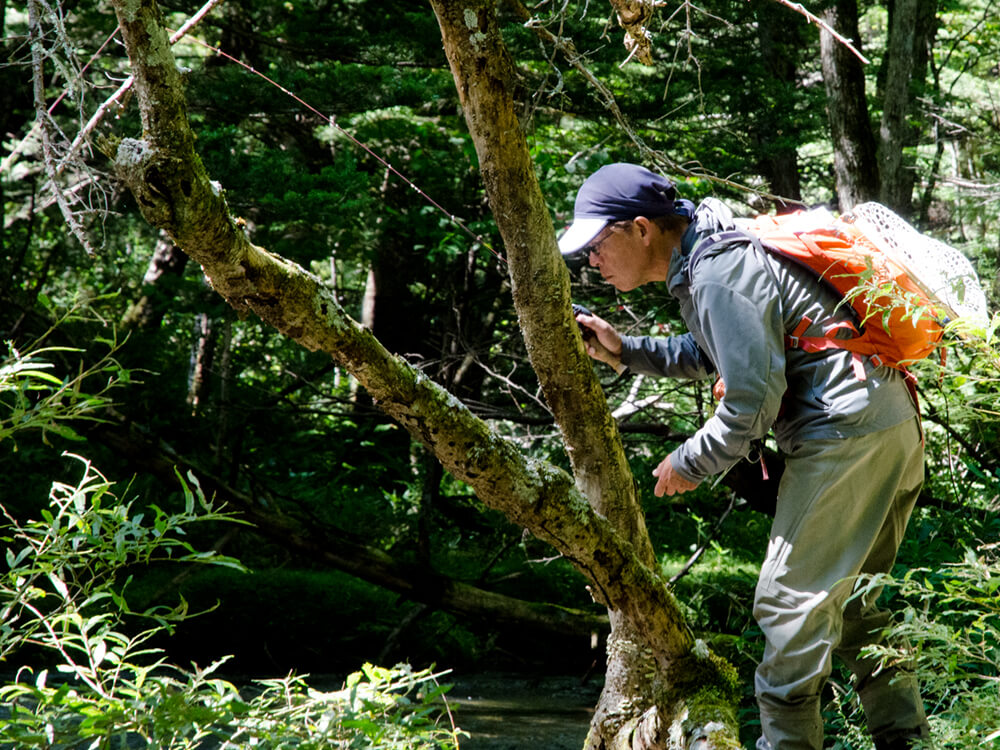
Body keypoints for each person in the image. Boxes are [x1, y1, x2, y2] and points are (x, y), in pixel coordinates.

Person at [558, 162, 931, 750]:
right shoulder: (712, 256)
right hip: (885, 425)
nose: (592, 262)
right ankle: (904, 741)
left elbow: (751, 403)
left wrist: (688, 461)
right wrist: (626, 351)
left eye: (598, 244)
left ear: (640, 229)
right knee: (856, 608)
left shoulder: (719, 271)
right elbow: (721, 349)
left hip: (845, 438)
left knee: (786, 606)